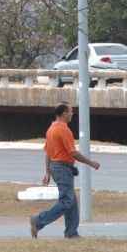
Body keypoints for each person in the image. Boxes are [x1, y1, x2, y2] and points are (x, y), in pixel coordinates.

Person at [30, 102, 100, 239]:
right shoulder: (63, 129)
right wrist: (91, 163)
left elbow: (48, 153)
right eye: (70, 111)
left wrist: (48, 172)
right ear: (63, 114)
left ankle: (71, 233)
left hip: (56, 167)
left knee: (71, 201)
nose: (72, 114)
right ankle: (38, 220)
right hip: (62, 168)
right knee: (66, 201)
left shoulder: (51, 128)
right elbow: (73, 153)